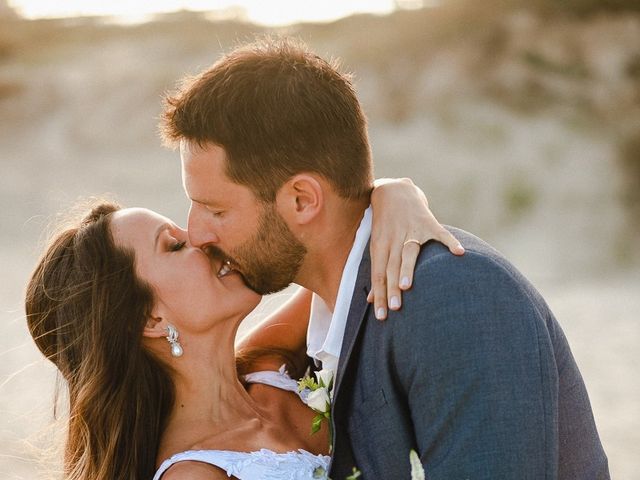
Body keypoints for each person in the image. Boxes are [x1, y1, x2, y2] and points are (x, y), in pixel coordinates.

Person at [161, 37, 610, 478]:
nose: (197, 234)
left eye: (216, 210)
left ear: (302, 200)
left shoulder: (457, 301)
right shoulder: (328, 323)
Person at [25, 183, 460, 479]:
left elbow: (348, 255)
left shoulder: (267, 364)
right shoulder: (195, 474)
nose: (202, 239)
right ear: (150, 320)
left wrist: (395, 192)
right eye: (175, 245)